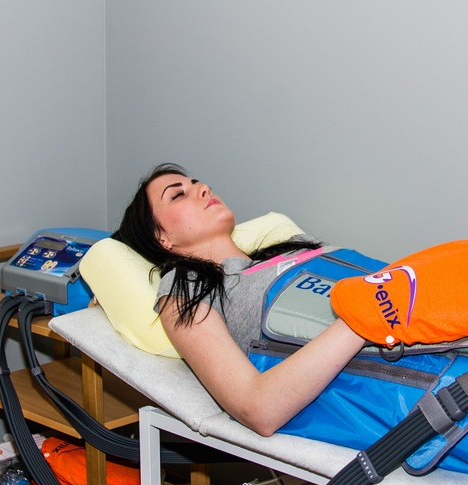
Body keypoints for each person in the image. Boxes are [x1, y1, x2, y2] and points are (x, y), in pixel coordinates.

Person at [116, 163, 366, 436]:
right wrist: (367, 316)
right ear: (161, 237)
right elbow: (258, 409)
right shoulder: (186, 287)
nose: (204, 188)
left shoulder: (295, 245)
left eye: (197, 183)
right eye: (178, 195)